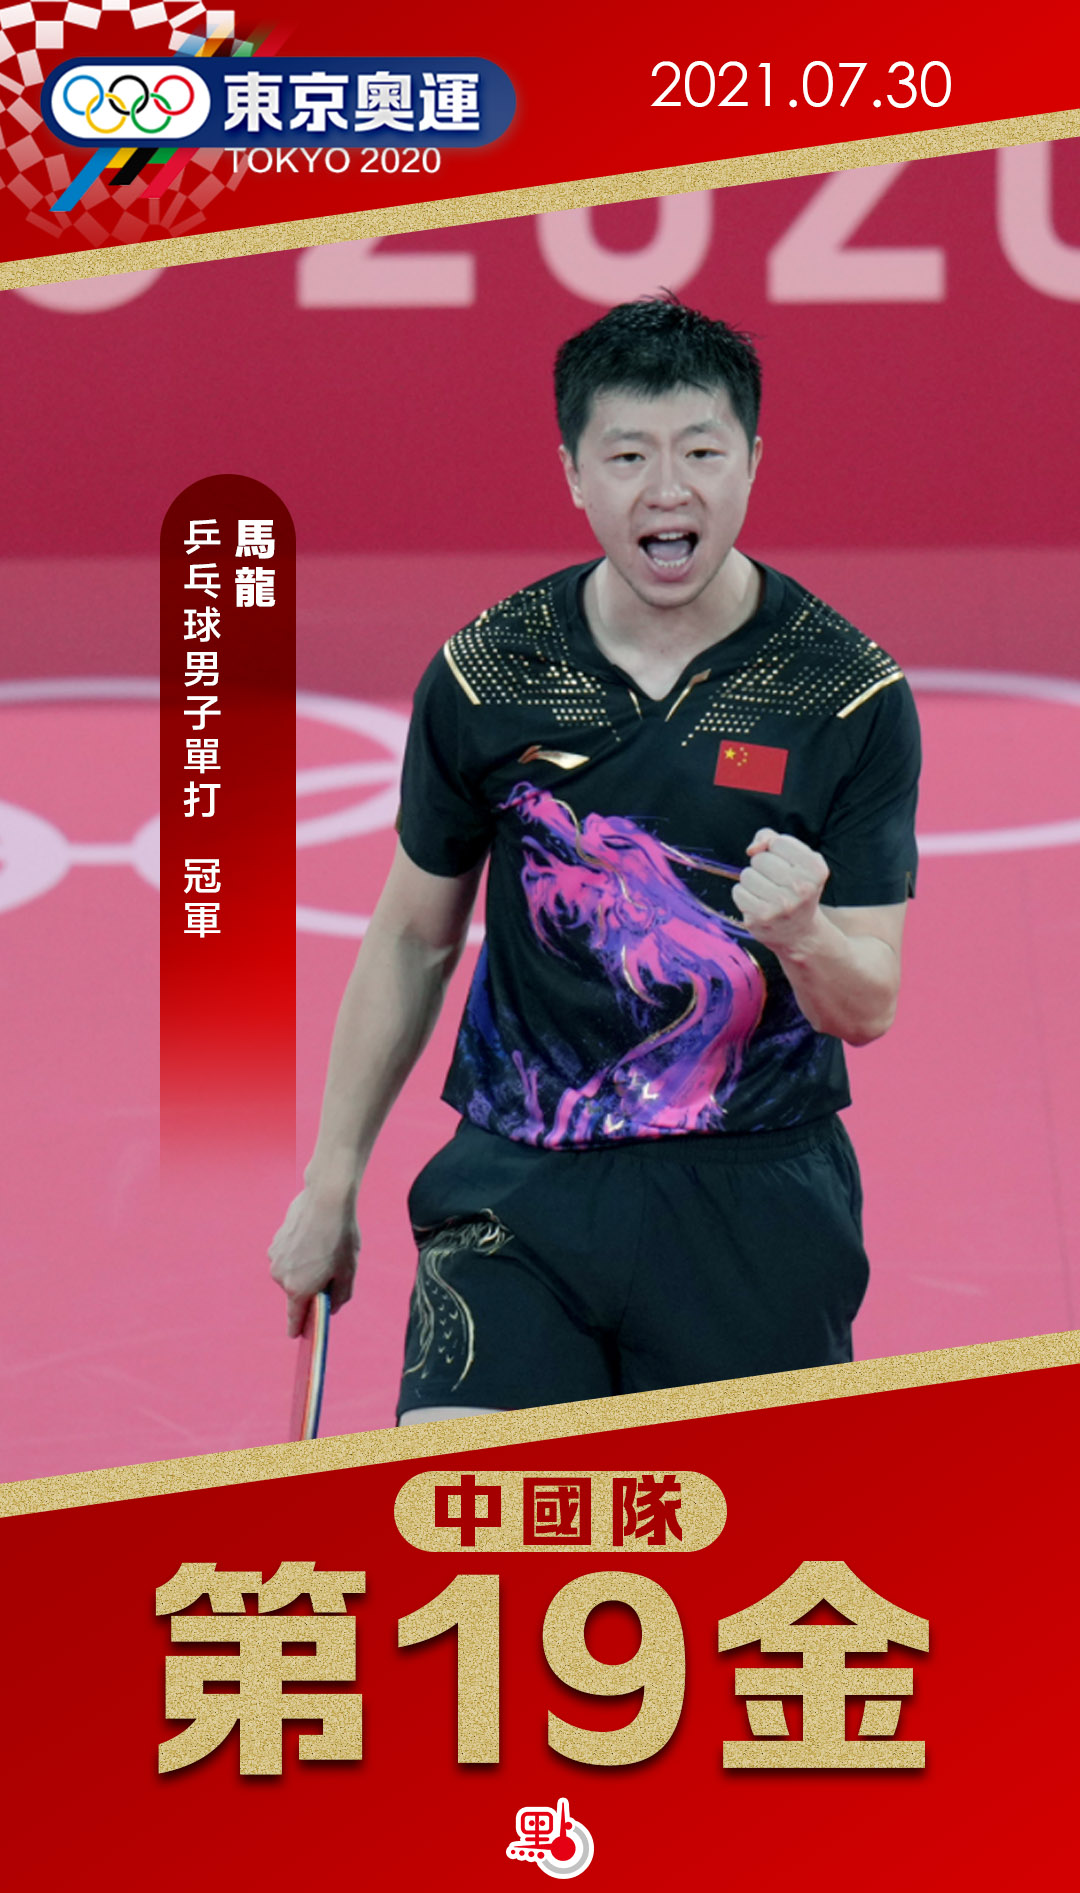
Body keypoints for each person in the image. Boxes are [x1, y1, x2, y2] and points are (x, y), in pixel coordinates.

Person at [269, 294, 920, 1423]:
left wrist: (807, 936)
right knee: (466, 1514)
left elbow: (868, 1006)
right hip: (520, 1184)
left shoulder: (846, 694)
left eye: (701, 452)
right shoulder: (488, 673)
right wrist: (332, 1180)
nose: (667, 490)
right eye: (627, 456)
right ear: (574, 473)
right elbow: (413, 939)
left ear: (753, 461)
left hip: (753, 1200)